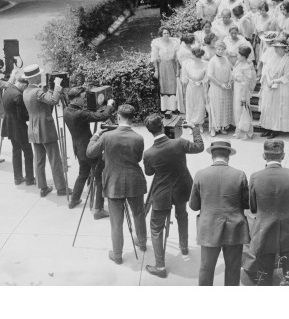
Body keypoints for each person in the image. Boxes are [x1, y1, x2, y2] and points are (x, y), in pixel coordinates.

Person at [143, 114, 204, 278]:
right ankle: (184, 247)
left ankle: (160, 267)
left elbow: (149, 173)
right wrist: (194, 129)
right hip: (182, 189)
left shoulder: (149, 154)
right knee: (182, 215)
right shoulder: (179, 143)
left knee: (156, 229)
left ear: (149, 131)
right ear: (163, 126)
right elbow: (199, 147)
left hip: (162, 194)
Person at [86, 104, 147, 265]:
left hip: (113, 183)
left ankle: (118, 254)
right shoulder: (139, 138)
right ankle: (142, 243)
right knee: (139, 215)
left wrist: (96, 134)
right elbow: (138, 158)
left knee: (116, 222)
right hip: (134, 181)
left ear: (118, 117)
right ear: (132, 118)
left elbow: (90, 152)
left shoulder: (107, 137)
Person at [189, 141, 250, 286]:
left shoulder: (200, 174)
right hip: (234, 228)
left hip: (209, 228)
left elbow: (193, 205)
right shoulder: (239, 175)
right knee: (233, 268)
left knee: (206, 268)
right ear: (228, 156)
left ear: (212, 155)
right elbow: (247, 204)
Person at [248, 139, 289, 286]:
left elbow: (253, 207)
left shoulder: (255, 176)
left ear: (264, 156)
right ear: (283, 155)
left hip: (265, 229)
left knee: (263, 272)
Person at [63, 86, 115, 216]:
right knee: (99, 177)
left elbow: (86, 114)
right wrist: (109, 105)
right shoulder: (80, 114)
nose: (84, 100)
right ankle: (98, 209)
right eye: (82, 98)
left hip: (78, 149)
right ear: (75, 100)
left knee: (83, 174)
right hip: (89, 149)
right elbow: (104, 115)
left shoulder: (67, 110)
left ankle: (74, 200)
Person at [22, 64, 70, 197]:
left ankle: (42, 187)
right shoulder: (37, 92)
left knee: (39, 159)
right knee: (54, 158)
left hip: (33, 129)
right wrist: (57, 86)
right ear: (36, 76)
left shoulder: (26, 91)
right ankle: (61, 188)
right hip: (45, 128)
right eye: (39, 75)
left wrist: (47, 89)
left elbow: (43, 101)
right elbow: (54, 100)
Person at [1, 76, 35, 185]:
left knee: (16, 150)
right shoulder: (18, 95)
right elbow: (22, 116)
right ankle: (30, 178)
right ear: (24, 85)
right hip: (18, 127)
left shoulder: (8, 90)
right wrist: (32, 115)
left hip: (9, 124)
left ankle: (17, 177)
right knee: (28, 152)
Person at [259, 38, 289, 139]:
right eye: (275, 48)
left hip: (281, 87)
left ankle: (275, 129)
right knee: (268, 107)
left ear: (284, 48)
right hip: (270, 85)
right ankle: (267, 128)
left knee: (277, 109)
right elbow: (267, 70)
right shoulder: (273, 58)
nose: (276, 50)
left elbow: (286, 76)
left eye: (278, 48)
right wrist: (269, 80)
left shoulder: (287, 60)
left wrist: (275, 81)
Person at [151, 27, 180, 114]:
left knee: (173, 85)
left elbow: (176, 58)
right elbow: (155, 58)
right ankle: (165, 108)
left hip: (172, 65)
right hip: (162, 66)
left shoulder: (174, 43)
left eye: (168, 33)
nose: (167, 35)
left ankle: (173, 107)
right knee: (163, 85)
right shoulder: (157, 44)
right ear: (161, 35)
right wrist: (156, 70)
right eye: (164, 33)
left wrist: (178, 69)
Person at [207, 40, 233, 137]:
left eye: (222, 49)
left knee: (223, 107)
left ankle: (222, 127)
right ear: (215, 49)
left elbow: (230, 72)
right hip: (216, 88)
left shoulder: (226, 59)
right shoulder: (212, 60)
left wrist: (230, 82)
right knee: (215, 107)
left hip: (225, 88)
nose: (220, 51)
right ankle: (213, 128)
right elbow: (210, 75)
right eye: (219, 49)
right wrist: (220, 84)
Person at [180, 47, 208, 132]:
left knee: (200, 105)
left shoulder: (206, 64)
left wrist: (201, 81)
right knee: (190, 105)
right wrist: (189, 80)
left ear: (197, 56)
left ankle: (200, 124)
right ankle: (190, 124)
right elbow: (184, 77)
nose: (191, 56)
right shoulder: (187, 64)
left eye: (192, 54)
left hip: (200, 88)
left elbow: (207, 77)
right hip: (191, 87)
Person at [232, 46, 256, 140]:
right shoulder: (238, 63)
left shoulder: (247, 67)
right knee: (237, 110)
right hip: (237, 88)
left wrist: (243, 96)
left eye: (238, 54)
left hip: (242, 90)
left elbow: (246, 83)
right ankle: (238, 129)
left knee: (242, 110)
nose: (237, 56)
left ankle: (245, 131)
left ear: (243, 56)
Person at [176, 34, 195, 115]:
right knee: (186, 92)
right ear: (189, 42)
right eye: (193, 40)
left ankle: (193, 110)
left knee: (193, 92)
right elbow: (183, 63)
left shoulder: (188, 48)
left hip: (193, 71)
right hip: (186, 72)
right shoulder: (183, 51)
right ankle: (187, 111)